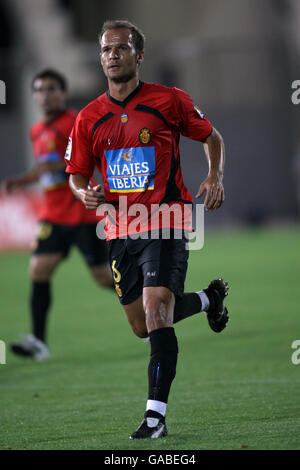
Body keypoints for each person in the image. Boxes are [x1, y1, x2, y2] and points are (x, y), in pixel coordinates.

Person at [66, 20, 229, 439]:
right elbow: (77, 174)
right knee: (143, 325)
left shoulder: (169, 101)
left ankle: (155, 417)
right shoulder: (89, 118)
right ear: (100, 57)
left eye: (121, 48)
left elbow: (212, 138)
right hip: (121, 230)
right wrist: (84, 192)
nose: (112, 55)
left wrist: (214, 176)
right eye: (105, 49)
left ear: (139, 56)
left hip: (166, 219)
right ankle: (209, 300)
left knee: (158, 308)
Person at [3, 69, 113, 361]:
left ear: (63, 94)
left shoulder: (75, 123)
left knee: (104, 278)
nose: (45, 94)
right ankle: (39, 342)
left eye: (52, 89)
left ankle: (148, 307)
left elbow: (81, 162)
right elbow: (45, 170)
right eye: (39, 89)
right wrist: (24, 180)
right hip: (52, 216)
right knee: (39, 270)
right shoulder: (37, 131)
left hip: (81, 215)